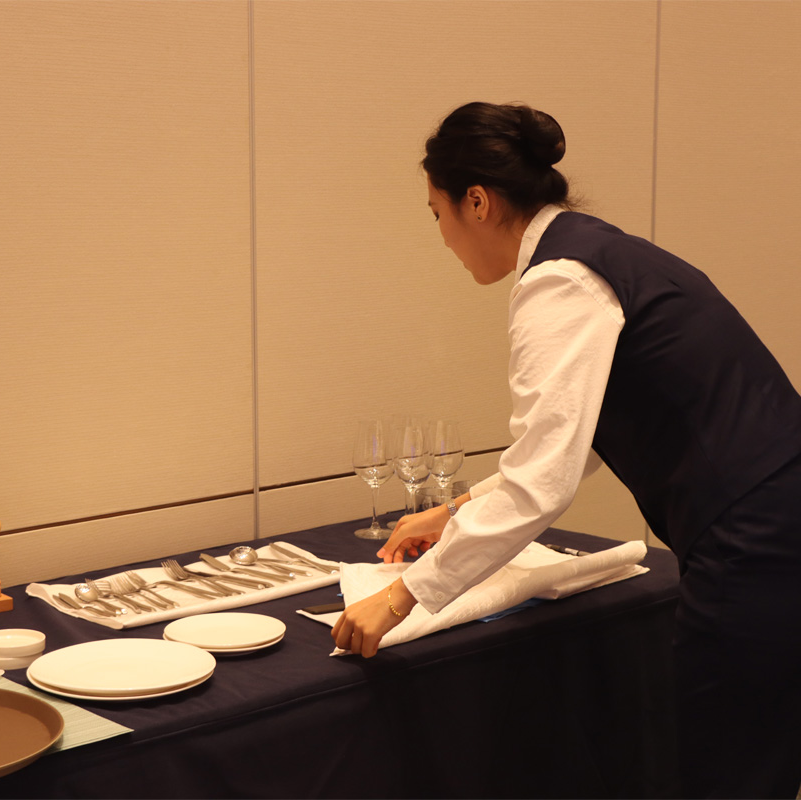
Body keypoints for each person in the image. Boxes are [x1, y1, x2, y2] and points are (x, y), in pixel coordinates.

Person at [331, 101, 801, 799]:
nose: (443, 238)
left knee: (730, 772)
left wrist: (402, 599)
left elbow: (539, 487)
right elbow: (574, 444)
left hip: (755, 539)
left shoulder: (560, 280)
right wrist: (454, 509)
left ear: (478, 202)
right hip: (779, 518)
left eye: (437, 214)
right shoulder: (601, 251)